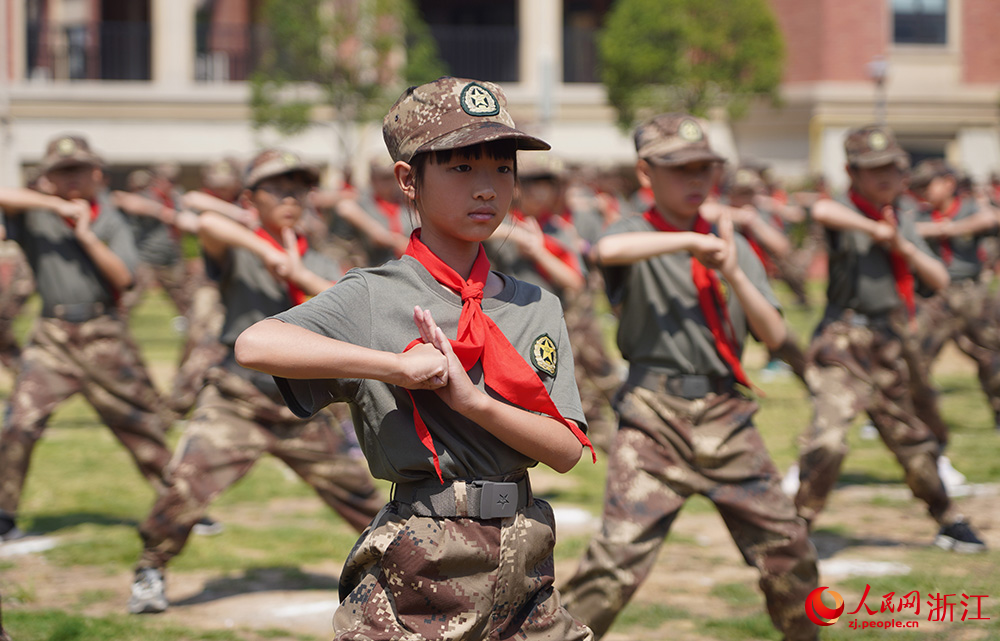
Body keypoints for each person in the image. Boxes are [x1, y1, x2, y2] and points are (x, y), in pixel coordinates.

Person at [235, 77, 596, 640]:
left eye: (503, 168)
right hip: (421, 569)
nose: (487, 188)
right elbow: (256, 344)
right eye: (462, 167)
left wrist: (472, 403)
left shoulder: (536, 304)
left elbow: (567, 451)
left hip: (524, 568)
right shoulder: (374, 294)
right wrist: (394, 367)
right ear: (408, 180)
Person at [558, 113, 819, 641]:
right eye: (680, 169)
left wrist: (733, 271)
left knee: (791, 553)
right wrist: (687, 244)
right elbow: (606, 252)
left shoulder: (730, 242)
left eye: (705, 167)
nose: (696, 180)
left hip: (727, 417)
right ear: (646, 173)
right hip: (653, 418)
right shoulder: (635, 231)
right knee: (614, 567)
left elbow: (773, 333)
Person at [127, 149, 385, 614]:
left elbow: (350, 309)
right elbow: (208, 224)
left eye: (298, 190)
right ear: (251, 199)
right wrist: (267, 250)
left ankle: (399, 569)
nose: (290, 199)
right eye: (277, 190)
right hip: (237, 401)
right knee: (184, 488)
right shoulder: (241, 250)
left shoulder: (322, 259)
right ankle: (151, 569)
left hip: (301, 408)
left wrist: (297, 272)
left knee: (362, 498)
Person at [791, 125, 986, 552]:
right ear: (852, 172)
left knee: (912, 439)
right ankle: (797, 526)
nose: (884, 177)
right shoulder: (848, 209)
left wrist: (902, 244)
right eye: (872, 169)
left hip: (890, 339)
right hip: (844, 340)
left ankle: (947, 518)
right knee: (828, 440)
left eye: (891, 168)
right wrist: (873, 229)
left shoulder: (901, 215)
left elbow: (938, 278)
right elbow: (822, 211)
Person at [0, 134, 175, 542]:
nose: (71, 178)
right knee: (20, 424)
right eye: (62, 172)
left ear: (96, 173)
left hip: (103, 333)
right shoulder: (36, 214)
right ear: (48, 178)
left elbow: (124, 278)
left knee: (140, 426)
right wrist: (56, 206)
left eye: (78, 169)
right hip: (52, 336)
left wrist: (87, 235)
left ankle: (179, 507)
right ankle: (4, 514)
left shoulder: (110, 217)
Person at [908, 159, 1000, 437]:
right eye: (919, 186)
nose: (924, 191)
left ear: (948, 183)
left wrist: (951, 228)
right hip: (935, 295)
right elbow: (906, 230)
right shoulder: (920, 213)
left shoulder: (970, 207)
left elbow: (991, 218)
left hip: (971, 292)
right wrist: (940, 228)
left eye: (928, 184)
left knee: (990, 355)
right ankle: (912, 416)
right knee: (916, 355)